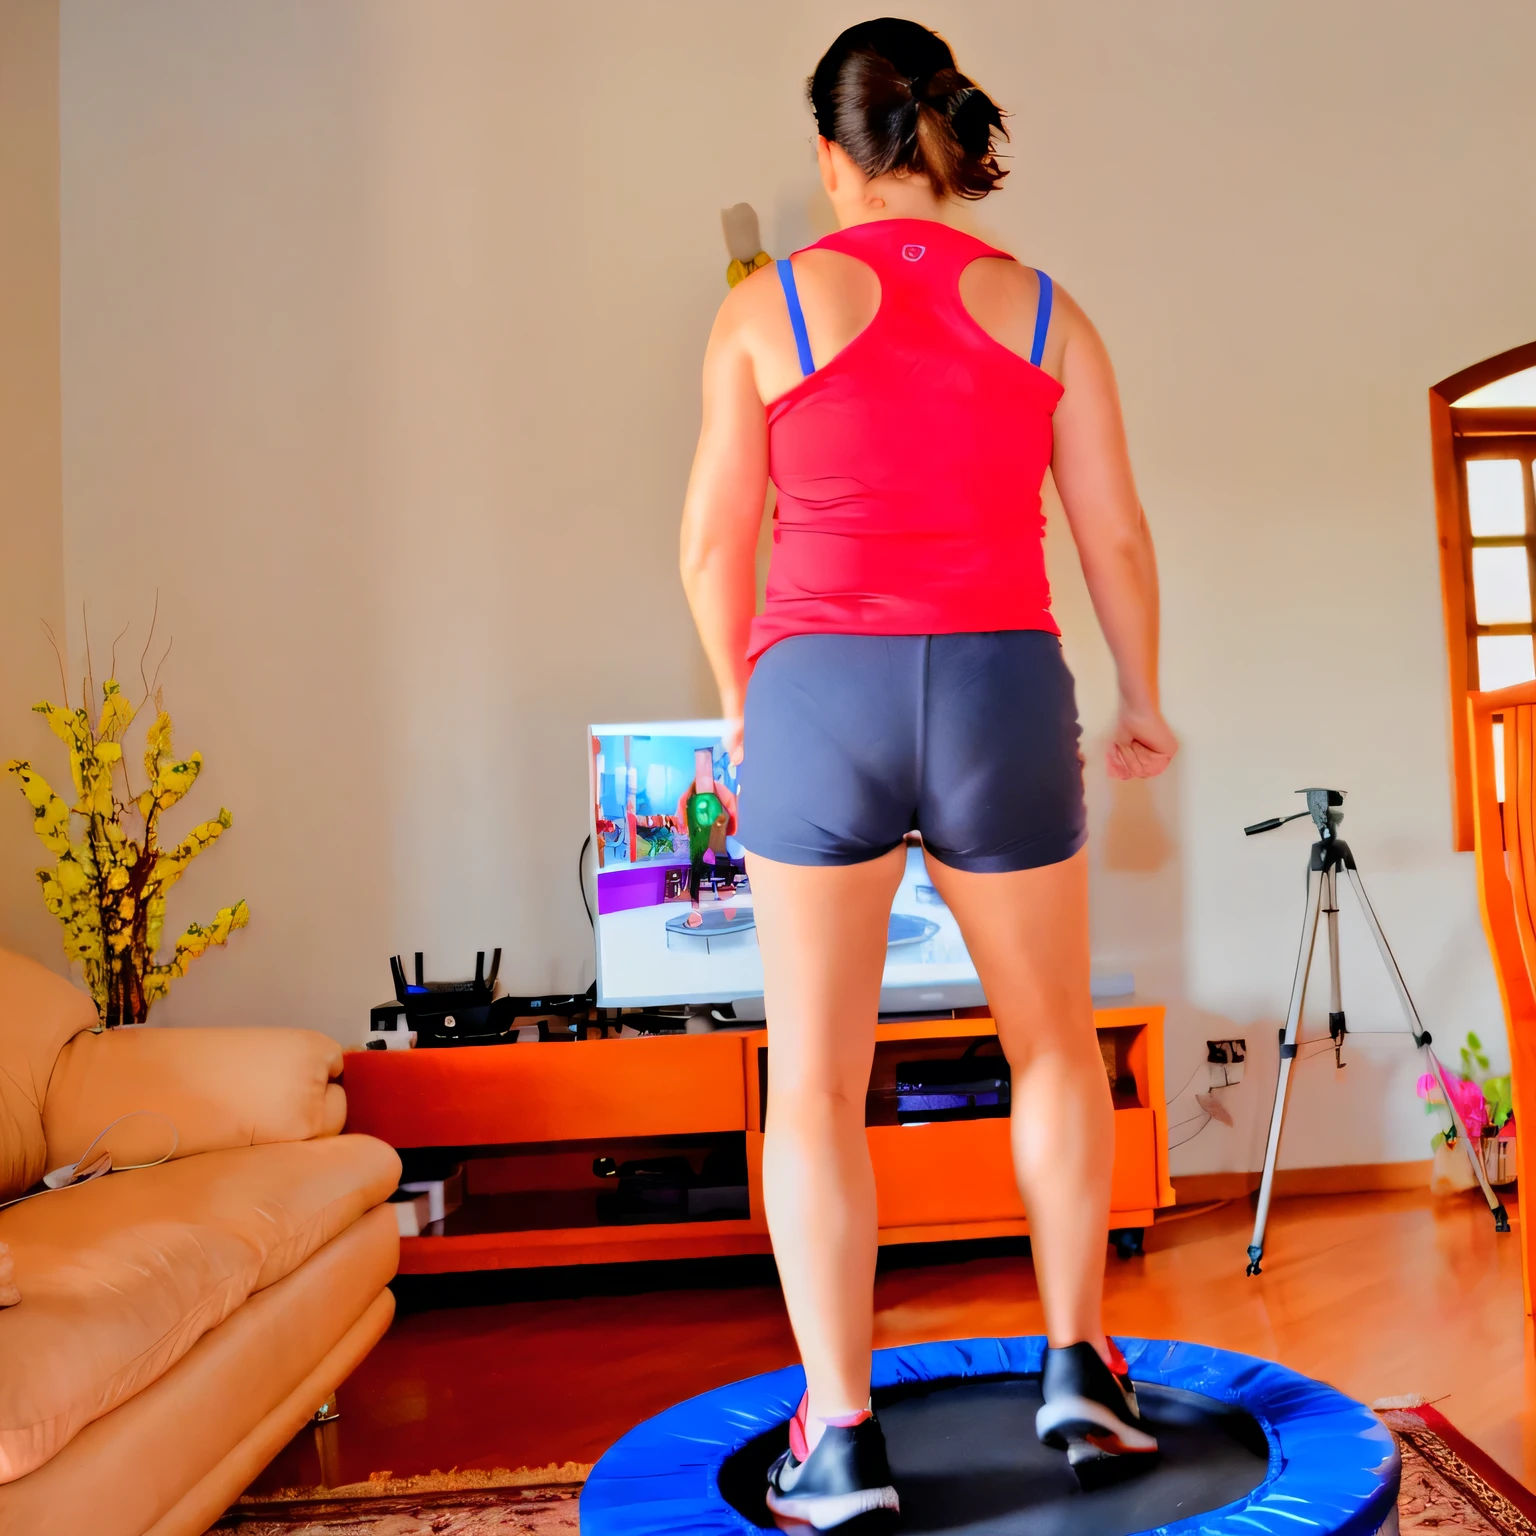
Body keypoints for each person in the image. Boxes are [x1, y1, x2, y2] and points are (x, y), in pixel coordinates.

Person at [679, 17, 1177, 1529]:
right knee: (1051, 1049)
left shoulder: (764, 309)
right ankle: (1080, 1368)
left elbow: (713, 544)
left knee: (817, 1083)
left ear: (833, 155)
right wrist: (1143, 697)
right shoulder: (1045, 310)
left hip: (820, 688)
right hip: (998, 687)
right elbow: (1116, 537)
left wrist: (740, 702)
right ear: (947, 141)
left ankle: (840, 1444)